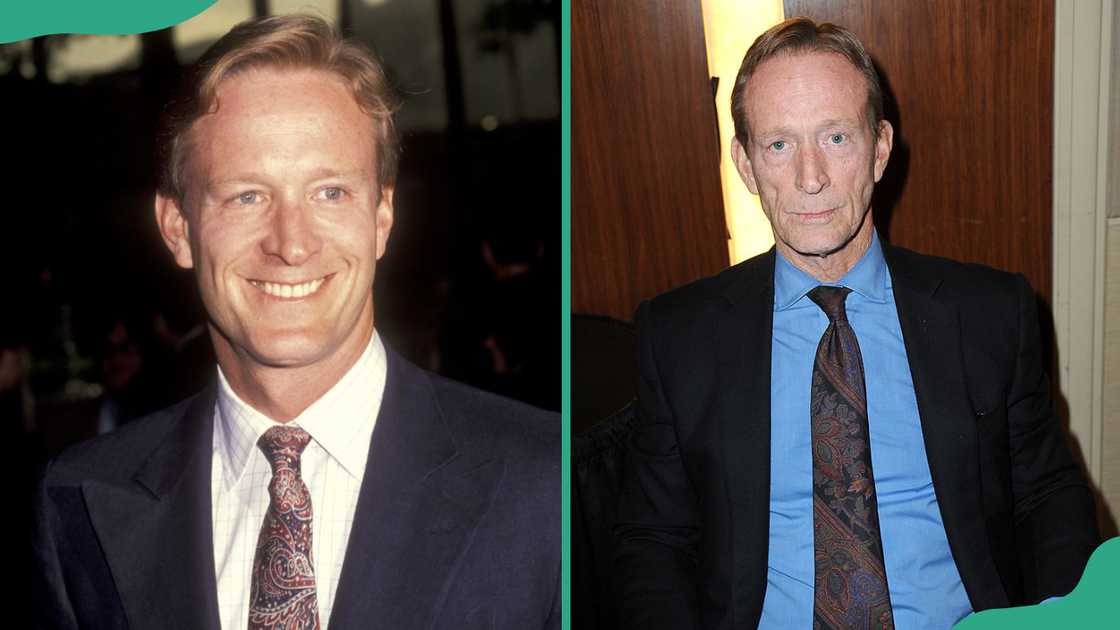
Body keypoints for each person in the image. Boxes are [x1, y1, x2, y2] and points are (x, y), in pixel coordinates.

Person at [32, 14, 559, 630]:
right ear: (178, 229)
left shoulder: (544, 481)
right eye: (246, 196)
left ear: (382, 216)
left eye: (329, 192)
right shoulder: (77, 501)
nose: (290, 243)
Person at [613, 17, 1098, 630]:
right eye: (780, 144)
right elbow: (653, 540)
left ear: (880, 149)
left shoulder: (990, 313)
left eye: (836, 137)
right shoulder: (677, 337)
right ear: (744, 163)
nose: (810, 178)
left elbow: (1046, 495)